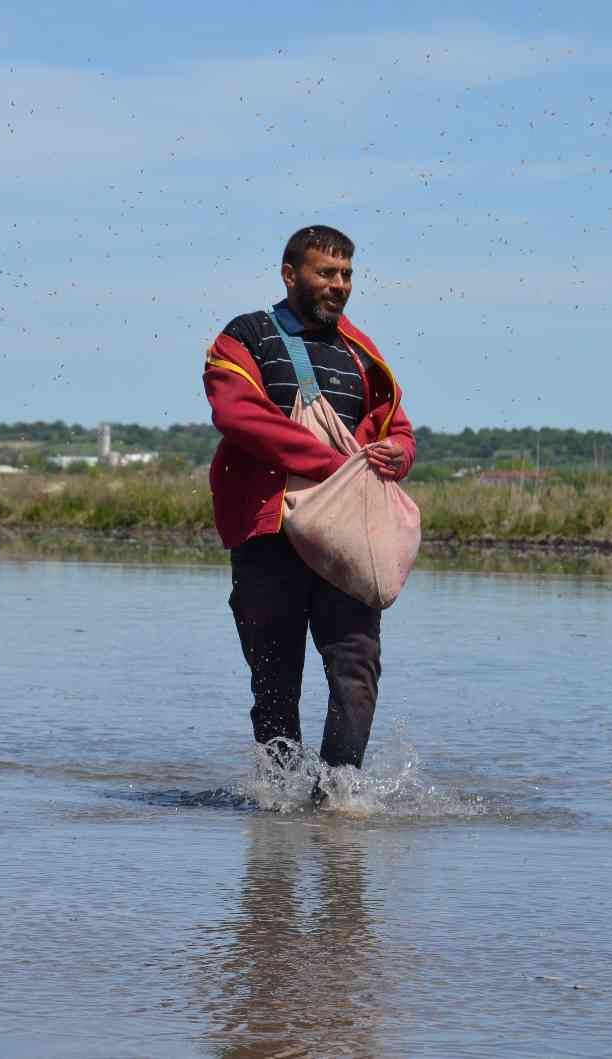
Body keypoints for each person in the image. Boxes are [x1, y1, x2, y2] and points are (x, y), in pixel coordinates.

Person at [203, 225, 415, 780]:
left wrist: (399, 452)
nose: (339, 285)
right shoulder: (244, 337)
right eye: (326, 273)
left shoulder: (361, 353)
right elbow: (236, 415)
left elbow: (397, 426)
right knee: (275, 679)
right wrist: (334, 465)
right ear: (290, 273)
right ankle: (279, 801)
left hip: (346, 534)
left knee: (356, 667)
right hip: (268, 534)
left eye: (347, 275)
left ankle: (337, 797)